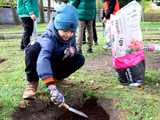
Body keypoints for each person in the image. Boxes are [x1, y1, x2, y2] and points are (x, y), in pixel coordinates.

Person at [22, 5, 85, 106]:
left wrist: (71, 51)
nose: (68, 34)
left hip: (56, 60)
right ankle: (32, 83)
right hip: (43, 61)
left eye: (71, 32)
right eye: (65, 31)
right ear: (57, 26)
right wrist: (51, 87)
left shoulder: (70, 36)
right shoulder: (49, 38)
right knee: (32, 49)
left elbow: (73, 49)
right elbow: (43, 60)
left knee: (79, 58)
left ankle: (57, 78)